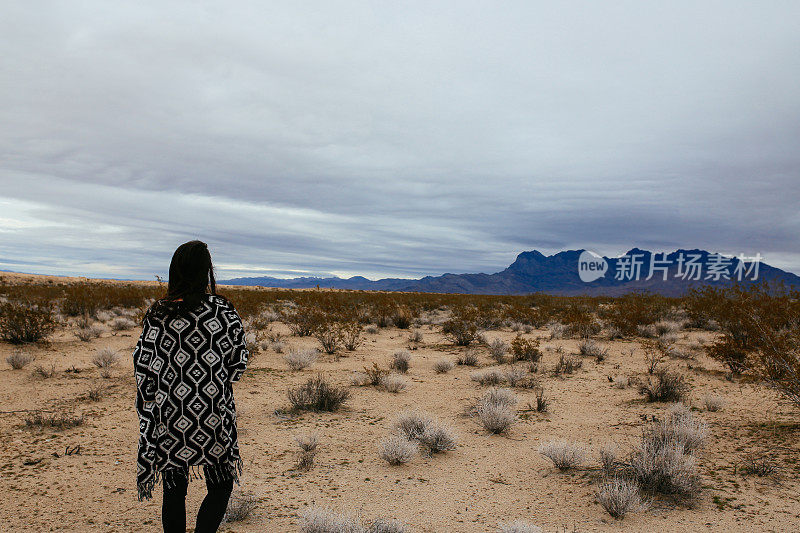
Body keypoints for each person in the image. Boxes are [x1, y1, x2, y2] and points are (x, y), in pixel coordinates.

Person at [133, 240, 248, 533]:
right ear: (206, 271)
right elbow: (238, 363)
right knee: (221, 485)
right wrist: (210, 380)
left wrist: (156, 397)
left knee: (174, 489)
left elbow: (143, 365)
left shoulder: (159, 314)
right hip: (213, 414)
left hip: (170, 415)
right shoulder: (223, 311)